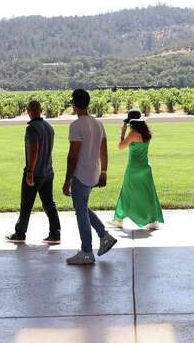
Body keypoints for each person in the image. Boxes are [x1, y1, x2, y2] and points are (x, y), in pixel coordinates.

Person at [62, 89, 117, 265]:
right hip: (93, 172)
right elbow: (104, 150)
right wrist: (104, 172)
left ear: (74, 104)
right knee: (83, 207)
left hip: (80, 174)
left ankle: (87, 251)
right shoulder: (98, 124)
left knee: (80, 212)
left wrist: (67, 180)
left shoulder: (76, 126)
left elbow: (73, 155)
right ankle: (104, 235)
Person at [5, 100, 61, 245]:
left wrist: (30, 171)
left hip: (35, 173)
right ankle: (55, 233)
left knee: (26, 204)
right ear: (40, 110)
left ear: (28, 111)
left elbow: (34, 150)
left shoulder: (32, 128)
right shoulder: (49, 127)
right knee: (49, 203)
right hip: (48, 171)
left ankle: (20, 233)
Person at [111, 110, 164, 231]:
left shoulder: (133, 134)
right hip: (145, 168)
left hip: (133, 168)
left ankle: (119, 219)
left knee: (126, 192)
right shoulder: (147, 134)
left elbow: (121, 147)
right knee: (148, 194)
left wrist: (122, 132)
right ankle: (153, 221)